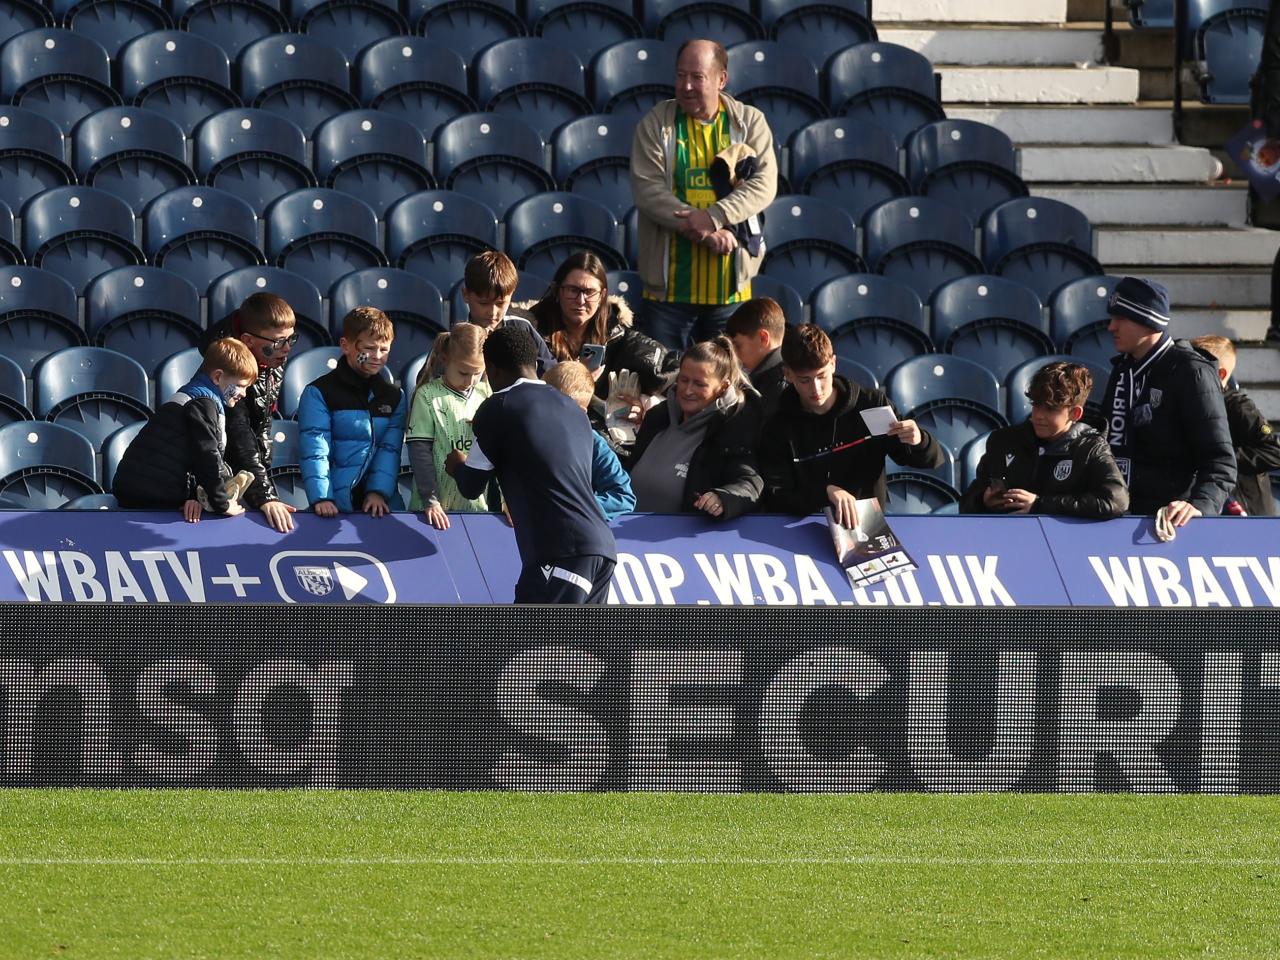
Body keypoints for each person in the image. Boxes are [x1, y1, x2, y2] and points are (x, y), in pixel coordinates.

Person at [445, 327, 616, 603]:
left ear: (492, 370)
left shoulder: (498, 406)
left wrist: (456, 464)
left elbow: (470, 485)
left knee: (530, 645)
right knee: (581, 647)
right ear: (536, 363)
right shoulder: (573, 408)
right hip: (602, 549)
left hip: (560, 551)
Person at [631, 38, 777, 350]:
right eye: (680, 75)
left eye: (697, 77)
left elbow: (764, 184)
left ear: (721, 79)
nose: (685, 86)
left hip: (730, 294)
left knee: (727, 389)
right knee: (662, 385)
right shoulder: (658, 123)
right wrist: (704, 232)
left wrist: (713, 218)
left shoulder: (749, 122)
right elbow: (648, 190)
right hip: (667, 294)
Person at [758, 324, 943, 525]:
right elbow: (777, 495)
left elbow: (927, 460)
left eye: (822, 376)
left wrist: (919, 440)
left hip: (868, 528)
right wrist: (826, 492)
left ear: (833, 364)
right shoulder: (778, 427)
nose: (816, 388)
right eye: (805, 380)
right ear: (788, 375)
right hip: (804, 528)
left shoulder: (870, 406)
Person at [1100, 276, 1236, 527]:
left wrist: (1199, 506)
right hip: (1120, 518)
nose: (1111, 327)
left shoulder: (1191, 371)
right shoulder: (1123, 371)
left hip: (1172, 527)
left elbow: (1220, 462)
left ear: (1147, 322)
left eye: (1121, 318)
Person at [960, 361, 1129, 519]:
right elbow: (966, 504)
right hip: (1007, 541)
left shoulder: (1090, 448)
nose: (1039, 415)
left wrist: (1040, 504)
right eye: (1036, 405)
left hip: (1064, 545)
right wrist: (983, 500)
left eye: (1050, 409)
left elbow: (1116, 501)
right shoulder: (1004, 440)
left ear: (1075, 414)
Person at [113, 338, 257, 521]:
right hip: (150, 493)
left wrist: (194, 497)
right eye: (241, 386)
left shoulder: (196, 396)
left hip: (139, 489)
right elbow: (206, 455)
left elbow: (186, 454)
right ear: (218, 377)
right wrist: (221, 502)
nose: (243, 394)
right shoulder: (204, 404)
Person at [626, 336, 763, 519]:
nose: (688, 390)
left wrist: (723, 498)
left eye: (699, 384)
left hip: (679, 544)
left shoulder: (732, 430)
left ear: (723, 387)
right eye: (684, 380)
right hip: (627, 538)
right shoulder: (657, 417)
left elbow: (751, 483)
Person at [201, 292, 299, 533]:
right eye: (278, 342)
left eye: (291, 339)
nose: (286, 349)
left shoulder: (272, 358)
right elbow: (239, 434)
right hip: (214, 478)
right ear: (248, 340)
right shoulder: (226, 373)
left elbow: (263, 422)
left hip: (246, 471)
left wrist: (262, 483)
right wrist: (265, 496)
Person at [525, 251, 673, 408]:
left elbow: (670, 369)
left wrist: (644, 406)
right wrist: (578, 381)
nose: (581, 300)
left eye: (589, 292)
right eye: (573, 290)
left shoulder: (617, 333)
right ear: (557, 291)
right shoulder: (532, 332)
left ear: (602, 295)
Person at [298, 306, 407, 517]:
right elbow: (316, 450)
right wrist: (323, 497)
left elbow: (389, 449)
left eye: (384, 350)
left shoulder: (394, 396)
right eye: (368, 348)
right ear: (345, 346)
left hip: (380, 504)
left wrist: (378, 492)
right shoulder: (318, 392)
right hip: (333, 503)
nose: (376, 356)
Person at [406, 323, 493, 530]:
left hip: (476, 511)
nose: (470, 380)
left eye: (477, 373)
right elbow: (420, 452)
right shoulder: (427, 395)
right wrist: (430, 499)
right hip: (432, 512)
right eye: (463, 372)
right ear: (445, 359)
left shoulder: (487, 394)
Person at [1190, 335, 1280, 516]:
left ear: (1220, 374)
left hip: (1248, 512)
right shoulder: (1189, 404)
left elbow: (1274, 452)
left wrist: (1225, 458)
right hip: (1212, 505)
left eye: (1198, 368)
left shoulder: (1239, 406)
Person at [543, 360, 636, 522]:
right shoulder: (525, 433)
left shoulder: (593, 444)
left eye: (558, 407)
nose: (548, 412)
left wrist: (571, 507)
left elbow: (623, 497)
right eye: (544, 403)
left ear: (581, 412)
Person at [454, 249, 556, 375]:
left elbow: (550, 372)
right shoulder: (456, 339)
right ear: (465, 295)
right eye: (483, 303)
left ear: (511, 295)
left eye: (500, 303)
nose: (492, 312)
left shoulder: (522, 329)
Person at [725, 297, 787, 418]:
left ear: (763, 338)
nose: (734, 355)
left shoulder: (779, 385)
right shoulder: (765, 378)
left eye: (738, 346)